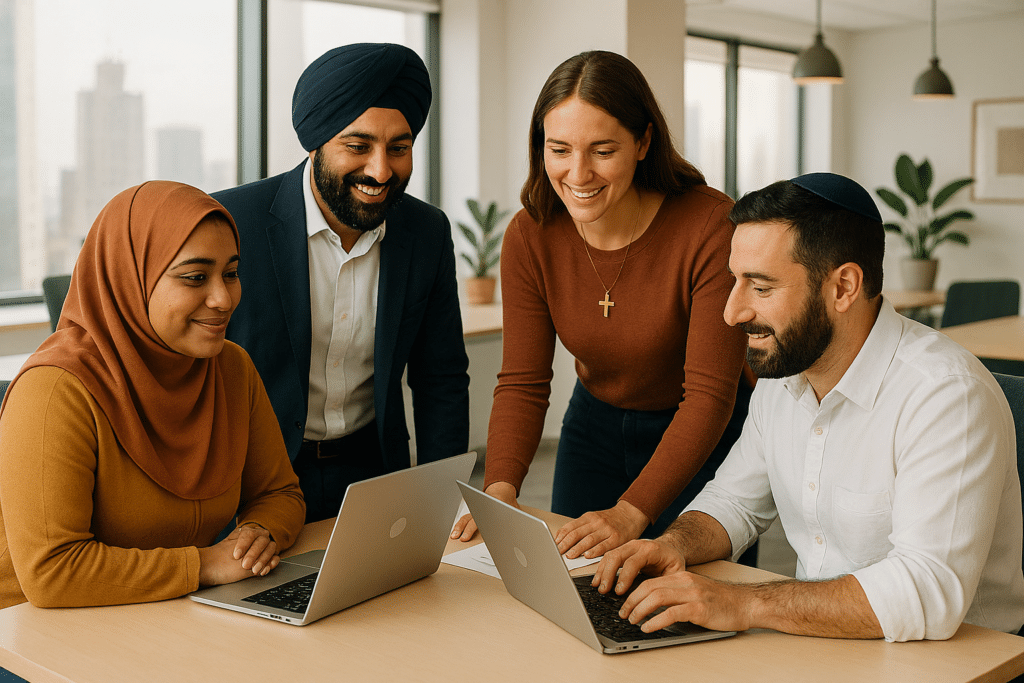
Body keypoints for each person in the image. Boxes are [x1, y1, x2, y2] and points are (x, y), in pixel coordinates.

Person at [592, 173, 1024, 641]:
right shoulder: (785, 376)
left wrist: (743, 602)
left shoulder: (945, 396)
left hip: (957, 664)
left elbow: (926, 592)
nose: (731, 312)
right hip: (822, 641)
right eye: (734, 282)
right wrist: (673, 545)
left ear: (843, 287)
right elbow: (734, 501)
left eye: (760, 288)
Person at [451, 50, 750, 560]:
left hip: (703, 433)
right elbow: (523, 379)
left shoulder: (709, 226)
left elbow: (708, 397)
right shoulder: (531, 234)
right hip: (594, 425)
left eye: (602, 150)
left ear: (643, 142)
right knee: (574, 583)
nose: (577, 173)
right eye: (559, 149)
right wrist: (500, 488)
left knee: (694, 607)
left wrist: (632, 511)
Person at [0, 181, 306, 610]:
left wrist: (259, 533)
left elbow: (279, 494)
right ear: (131, 280)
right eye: (195, 277)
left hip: (167, 613)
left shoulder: (231, 368)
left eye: (231, 273)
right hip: (32, 641)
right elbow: (52, 572)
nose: (223, 298)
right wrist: (204, 566)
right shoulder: (55, 391)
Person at [215, 43, 470, 523]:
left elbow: (441, 380)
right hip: (252, 484)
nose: (380, 170)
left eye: (399, 148)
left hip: (375, 477)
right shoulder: (230, 222)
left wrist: (443, 499)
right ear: (316, 142)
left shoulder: (426, 232)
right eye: (358, 146)